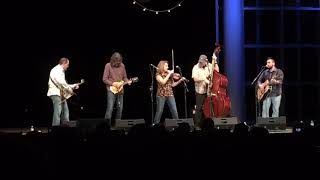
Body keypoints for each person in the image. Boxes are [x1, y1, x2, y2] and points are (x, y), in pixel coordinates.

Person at [192, 49, 221, 129]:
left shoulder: (208, 66)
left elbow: (217, 70)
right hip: (200, 91)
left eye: (202, 62)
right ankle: (197, 125)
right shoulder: (195, 67)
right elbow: (195, 79)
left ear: (206, 61)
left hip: (209, 91)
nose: (200, 63)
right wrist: (204, 79)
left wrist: (215, 61)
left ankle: (209, 124)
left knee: (209, 107)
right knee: (199, 108)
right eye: (200, 62)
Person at [47, 57, 79, 127]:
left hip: (60, 93)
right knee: (58, 112)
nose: (68, 66)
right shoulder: (57, 70)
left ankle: (66, 127)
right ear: (64, 63)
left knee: (65, 111)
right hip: (55, 93)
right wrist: (70, 89)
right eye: (67, 64)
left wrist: (73, 86)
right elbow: (62, 83)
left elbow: (63, 84)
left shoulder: (60, 70)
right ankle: (55, 128)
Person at [103, 52, 132, 127]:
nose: (118, 63)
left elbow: (125, 77)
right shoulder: (108, 65)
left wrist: (127, 81)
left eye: (119, 62)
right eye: (116, 62)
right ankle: (106, 127)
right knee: (110, 108)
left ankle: (118, 126)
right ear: (113, 60)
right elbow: (104, 79)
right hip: (111, 90)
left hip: (120, 90)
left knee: (120, 108)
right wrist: (113, 83)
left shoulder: (122, 65)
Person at [153, 60, 186, 126]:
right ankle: (155, 124)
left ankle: (177, 124)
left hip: (170, 94)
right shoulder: (158, 75)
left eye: (167, 66)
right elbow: (163, 82)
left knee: (174, 110)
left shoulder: (169, 75)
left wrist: (180, 80)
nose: (168, 67)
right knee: (159, 111)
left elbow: (173, 85)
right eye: (166, 66)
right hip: (161, 95)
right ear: (162, 66)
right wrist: (169, 74)